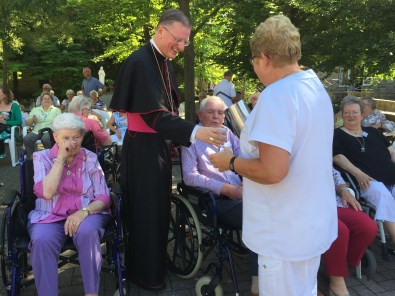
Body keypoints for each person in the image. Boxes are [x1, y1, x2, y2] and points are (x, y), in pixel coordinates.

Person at [209, 15, 337, 296]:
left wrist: (229, 161)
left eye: (253, 62)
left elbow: (272, 171)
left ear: (264, 58)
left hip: (283, 230)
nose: (255, 69)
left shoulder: (278, 96)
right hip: (309, 222)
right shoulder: (314, 88)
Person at [109, 9, 225, 291]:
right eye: (179, 40)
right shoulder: (139, 62)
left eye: (185, 42)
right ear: (161, 31)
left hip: (157, 146)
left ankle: (155, 267)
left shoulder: (163, 62)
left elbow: (167, 111)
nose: (182, 47)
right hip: (143, 149)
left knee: (159, 211)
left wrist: (174, 142)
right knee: (147, 213)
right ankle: (145, 275)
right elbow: (154, 116)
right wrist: (196, 131)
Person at [182, 96, 259, 296]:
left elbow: (242, 159)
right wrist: (225, 188)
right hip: (215, 201)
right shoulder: (191, 139)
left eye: (220, 112)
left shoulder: (228, 134)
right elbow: (189, 177)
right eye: (211, 112)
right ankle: (257, 282)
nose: (216, 117)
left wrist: (246, 178)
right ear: (200, 115)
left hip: (241, 193)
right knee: (259, 216)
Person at [28, 113, 111, 296]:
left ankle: (91, 293)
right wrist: (60, 159)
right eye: (66, 138)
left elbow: (104, 197)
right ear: (55, 137)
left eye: (76, 137)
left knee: (88, 231)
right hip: (49, 215)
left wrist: (84, 212)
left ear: (82, 136)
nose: (72, 143)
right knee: (41, 239)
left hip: (86, 213)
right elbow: (47, 193)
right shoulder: (41, 158)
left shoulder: (89, 158)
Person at [333, 95, 395, 244]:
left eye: (354, 112)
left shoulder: (374, 133)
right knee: (381, 193)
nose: (350, 116)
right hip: (365, 181)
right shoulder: (337, 135)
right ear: (342, 115)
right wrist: (358, 173)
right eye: (346, 112)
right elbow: (337, 157)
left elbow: (391, 152)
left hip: (390, 175)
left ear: (362, 114)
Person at [323, 168, 377, 296]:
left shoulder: (320, 150)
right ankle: (336, 281)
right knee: (339, 230)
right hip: (309, 206)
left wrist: (344, 190)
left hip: (334, 202)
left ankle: (337, 265)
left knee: (368, 228)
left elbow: (335, 174)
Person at [0, 85, 22, 159]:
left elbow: (19, 121)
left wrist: (6, 122)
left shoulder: (14, 106)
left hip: (10, 130)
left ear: (5, 94)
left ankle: (1, 153)